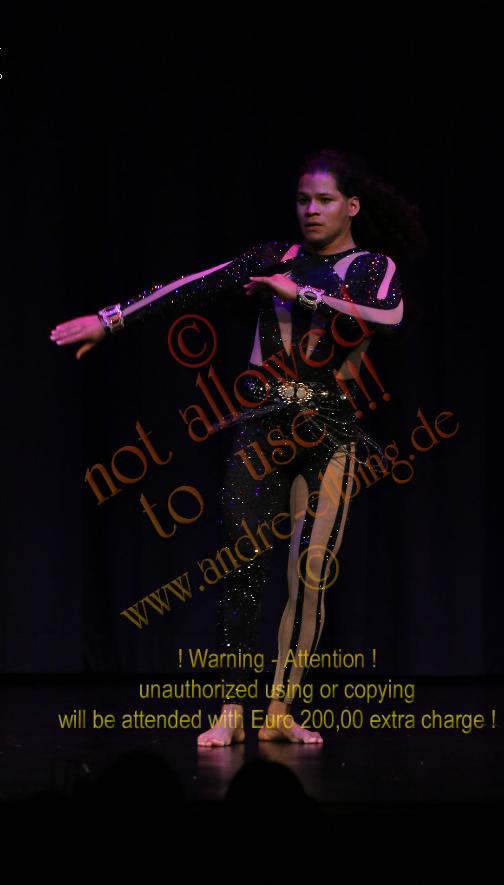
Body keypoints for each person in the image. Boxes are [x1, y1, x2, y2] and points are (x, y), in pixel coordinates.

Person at [50, 147, 427, 746]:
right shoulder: (274, 258)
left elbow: (389, 317)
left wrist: (300, 295)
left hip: (331, 432)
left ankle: (279, 709)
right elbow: (191, 287)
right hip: (263, 428)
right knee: (242, 567)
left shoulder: (371, 267)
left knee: (312, 571)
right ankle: (231, 708)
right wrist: (110, 319)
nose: (311, 210)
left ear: (352, 206)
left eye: (325, 200)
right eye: (303, 200)